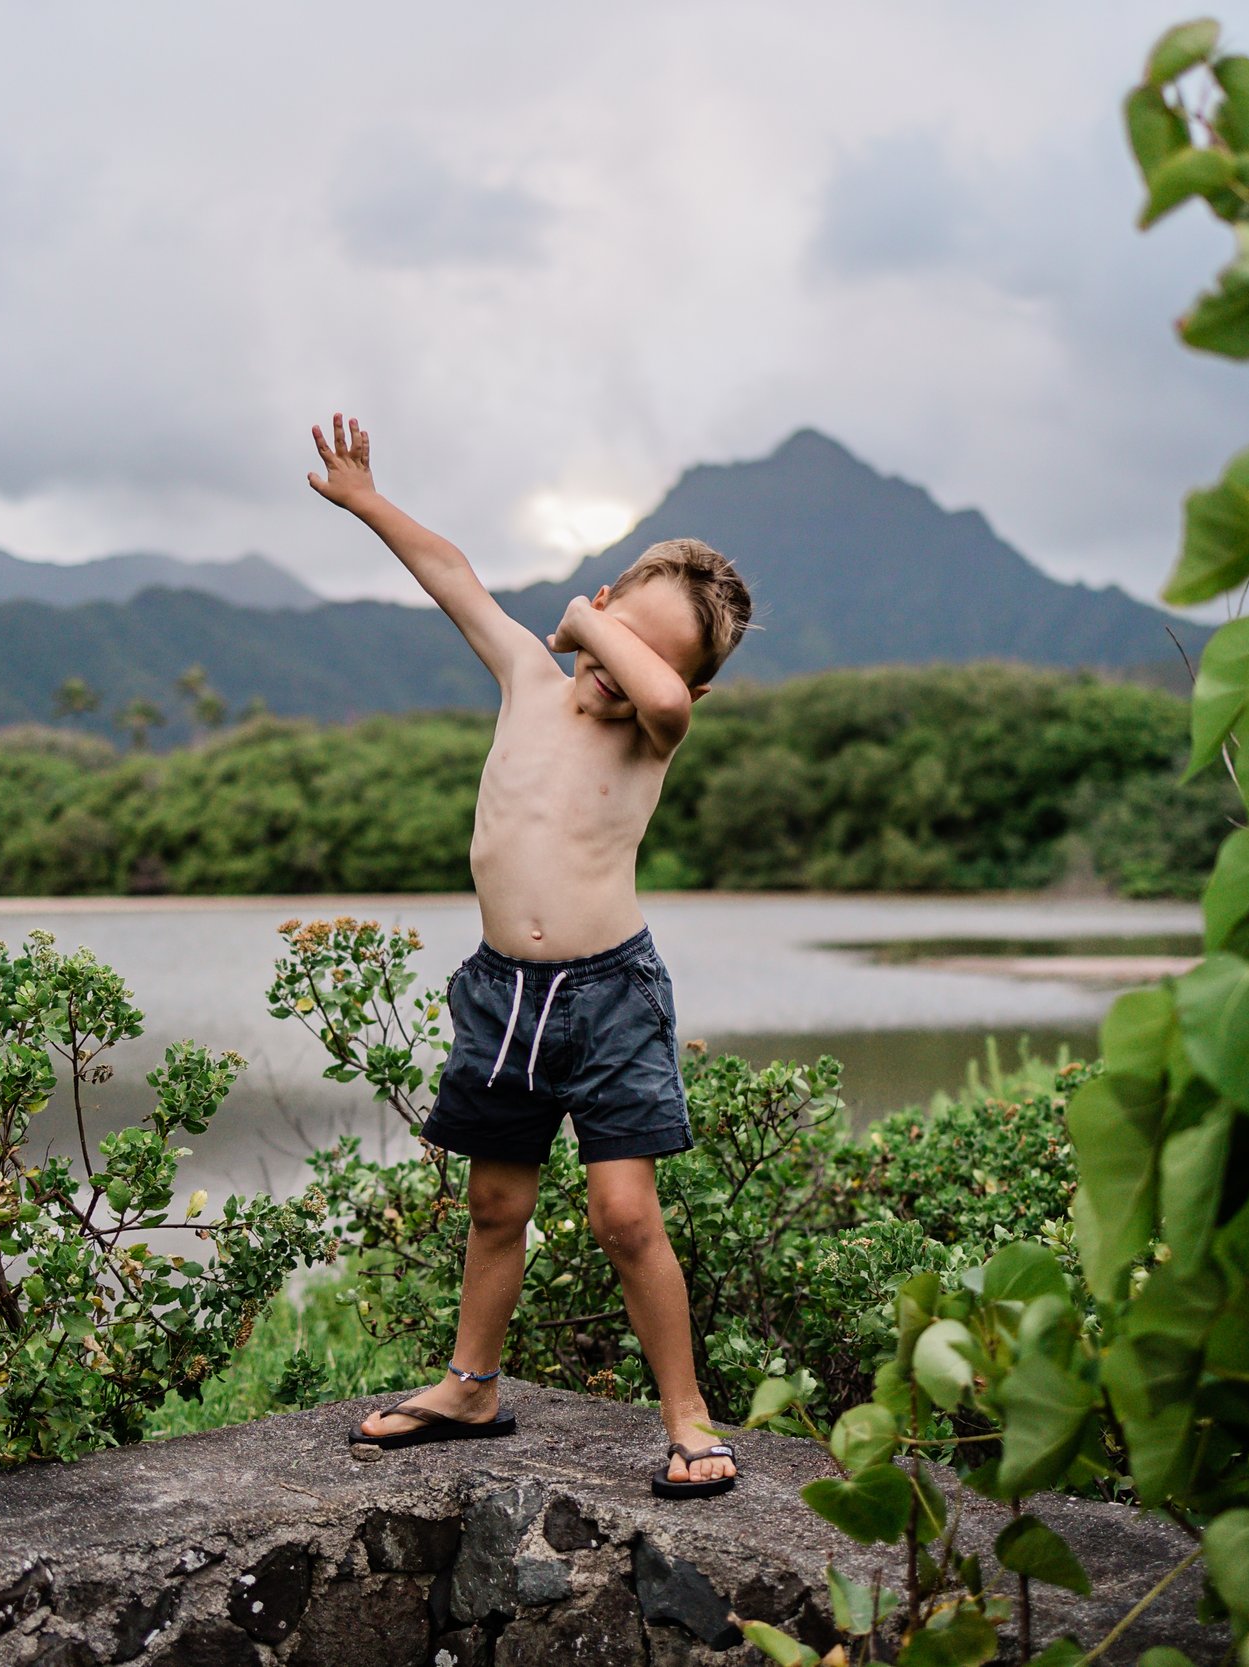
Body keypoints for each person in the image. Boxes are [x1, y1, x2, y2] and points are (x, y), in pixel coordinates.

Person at [307, 414, 754, 1498]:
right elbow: (452, 573)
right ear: (602, 602)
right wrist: (369, 500)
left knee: (623, 1213)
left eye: (657, 658)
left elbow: (650, 688)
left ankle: (687, 1416)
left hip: (610, 995)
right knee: (495, 1204)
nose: (620, 667)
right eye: (617, 632)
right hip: (502, 993)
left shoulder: (652, 726)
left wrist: (584, 624)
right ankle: (472, 1382)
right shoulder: (524, 675)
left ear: (688, 688)